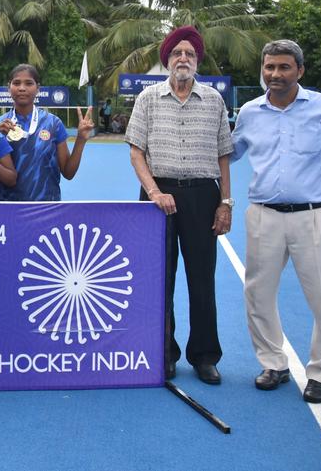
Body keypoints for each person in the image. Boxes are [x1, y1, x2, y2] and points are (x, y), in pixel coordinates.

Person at [231, 40, 321, 403]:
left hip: (316, 215)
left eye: (284, 67)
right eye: (269, 67)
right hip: (263, 216)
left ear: (300, 71)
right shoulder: (249, 112)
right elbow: (227, 153)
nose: (275, 74)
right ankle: (273, 363)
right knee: (257, 294)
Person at [126, 26, 233, 384]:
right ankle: (164, 352)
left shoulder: (214, 101)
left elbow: (223, 156)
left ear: (197, 60)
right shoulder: (148, 98)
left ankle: (204, 356)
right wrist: (154, 192)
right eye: (176, 54)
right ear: (167, 60)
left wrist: (225, 202)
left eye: (189, 53)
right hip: (159, 196)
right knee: (160, 278)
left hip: (203, 195)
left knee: (202, 279)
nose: (182, 58)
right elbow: (136, 152)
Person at [0, 64, 93, 202]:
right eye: (16, 83)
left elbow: (68, 172)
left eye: (29, 83)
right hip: (10, 206)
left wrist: (81, 139)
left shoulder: (53, 123)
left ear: (38, 89)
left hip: (47, 207)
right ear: (9, 87)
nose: (22, 88)